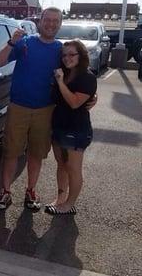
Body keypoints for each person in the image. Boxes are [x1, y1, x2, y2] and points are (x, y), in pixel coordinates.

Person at [0, 7, 64, 211]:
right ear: (40, 21)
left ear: (60, 24)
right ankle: (5, 192)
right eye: (47, 20)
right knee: (11, 152)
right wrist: (11, 42)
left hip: (45, 109)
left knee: (36, 153)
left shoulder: (61, 49)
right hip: (19, 107)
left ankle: (31, 191)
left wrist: (90, 95)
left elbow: (78, 73)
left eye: (55, 21)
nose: (51, 24)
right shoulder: (24, 43)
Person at [45, 39, 97, 215]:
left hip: (76, 130)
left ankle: (70, 204)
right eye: (64, 55)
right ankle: (60, 198)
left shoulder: (87, 77)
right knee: (61, 164)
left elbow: (74, 103)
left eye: (72, 54)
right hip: (58, 127)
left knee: (73, 168)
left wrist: (60, 83)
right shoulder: (64, 73)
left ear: (81, 55)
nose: (67, 58)